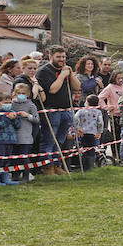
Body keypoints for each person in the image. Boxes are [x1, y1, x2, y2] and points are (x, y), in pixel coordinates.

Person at [35, 47, 77, 175]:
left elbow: (77, 87)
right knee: (49, 140)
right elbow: (52, 89)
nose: (62, 60)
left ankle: (56, 164)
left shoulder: (66, 70)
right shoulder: (44, 71)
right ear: (50, 56)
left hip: (65, 110)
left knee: (60, 141)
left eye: (64, 57)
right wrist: (62, 76)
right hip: (51, 110)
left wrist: (70, 74)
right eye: (58, 57)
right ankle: (47, 167)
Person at [99, 71, 123, 164]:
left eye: (122, 78)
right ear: (114, 78)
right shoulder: (110, 87)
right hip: (114, 114)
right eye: (118, 78)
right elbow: (100, 98)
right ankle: (116, 156)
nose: (120, 80)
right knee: (116, 136)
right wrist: (107, 107)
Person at [73, 93, 104, 171]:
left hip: (83, 133)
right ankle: (90, 167)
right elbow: (100, 122)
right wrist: (99, 132)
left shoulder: (81, 111)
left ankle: (84, 166)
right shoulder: (98, 112)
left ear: (88, 103)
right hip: (92, 133)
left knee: (84, 149)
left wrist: (77, 128)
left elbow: (75, 118)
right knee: (91, 150)